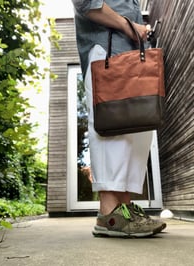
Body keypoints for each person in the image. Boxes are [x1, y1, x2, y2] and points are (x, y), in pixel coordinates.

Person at [71, 0, 166, 237]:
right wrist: (128, 25)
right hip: (106, 50)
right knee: (111, 128)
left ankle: (124, 210)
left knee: (132, 130)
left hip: (127, 52)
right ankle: (109, 214)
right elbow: (86, 3)